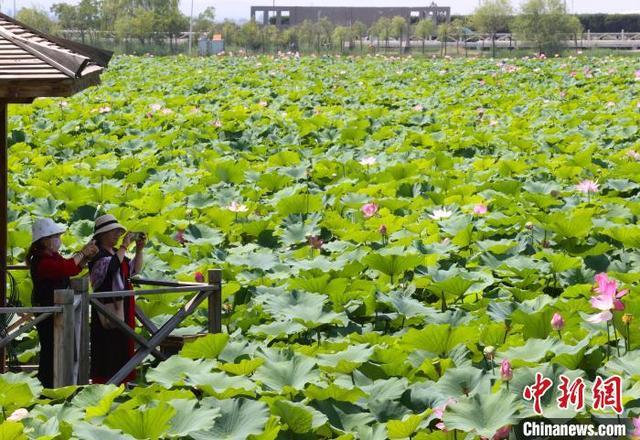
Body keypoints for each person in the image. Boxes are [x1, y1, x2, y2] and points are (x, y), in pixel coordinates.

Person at [26, 218, 98, 388]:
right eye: (55, 236)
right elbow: (65, 268)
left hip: (56, 310)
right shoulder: (42, 261)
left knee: (56, 349)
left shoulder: (52, 257)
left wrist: (85, 258)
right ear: (45, 240)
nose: (59, 239)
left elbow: (70, 269)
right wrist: (82, 252)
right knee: (50, 351)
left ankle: (54, 385)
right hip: (48, 310)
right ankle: (47, 386)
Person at [88, 214, 146, 384]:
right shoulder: (97, 254)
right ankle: (106, 383)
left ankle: (123, 381)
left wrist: (139, 250)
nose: (116, 235)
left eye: (118, 232)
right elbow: (111, 269)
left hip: (123, 304)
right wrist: (124, 247)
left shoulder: (115, 252)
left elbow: (133, 269)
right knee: (109, 346)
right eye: (112, 232)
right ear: (101, 235)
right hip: (107, 307)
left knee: (123, 344)